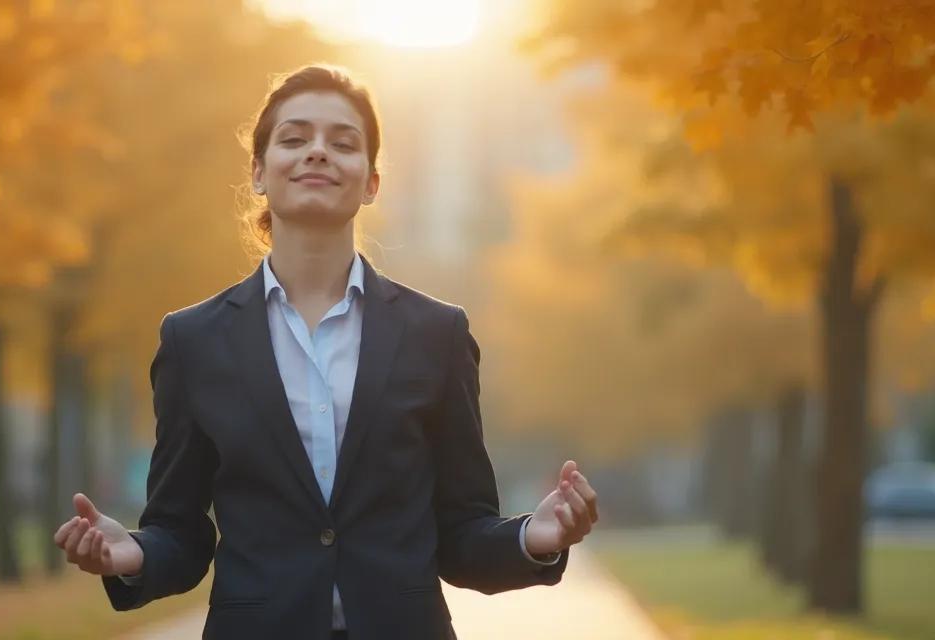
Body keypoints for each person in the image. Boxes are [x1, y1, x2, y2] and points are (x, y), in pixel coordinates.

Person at [52, 64, 600, 640]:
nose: (317, 152)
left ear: (371, 183)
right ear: (259, 173)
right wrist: (132, 554)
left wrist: (531, 540)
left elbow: (462, 532)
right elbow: (182, 535)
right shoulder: (193, 340)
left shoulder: (437, 333)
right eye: (294, 139)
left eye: (343, 143)